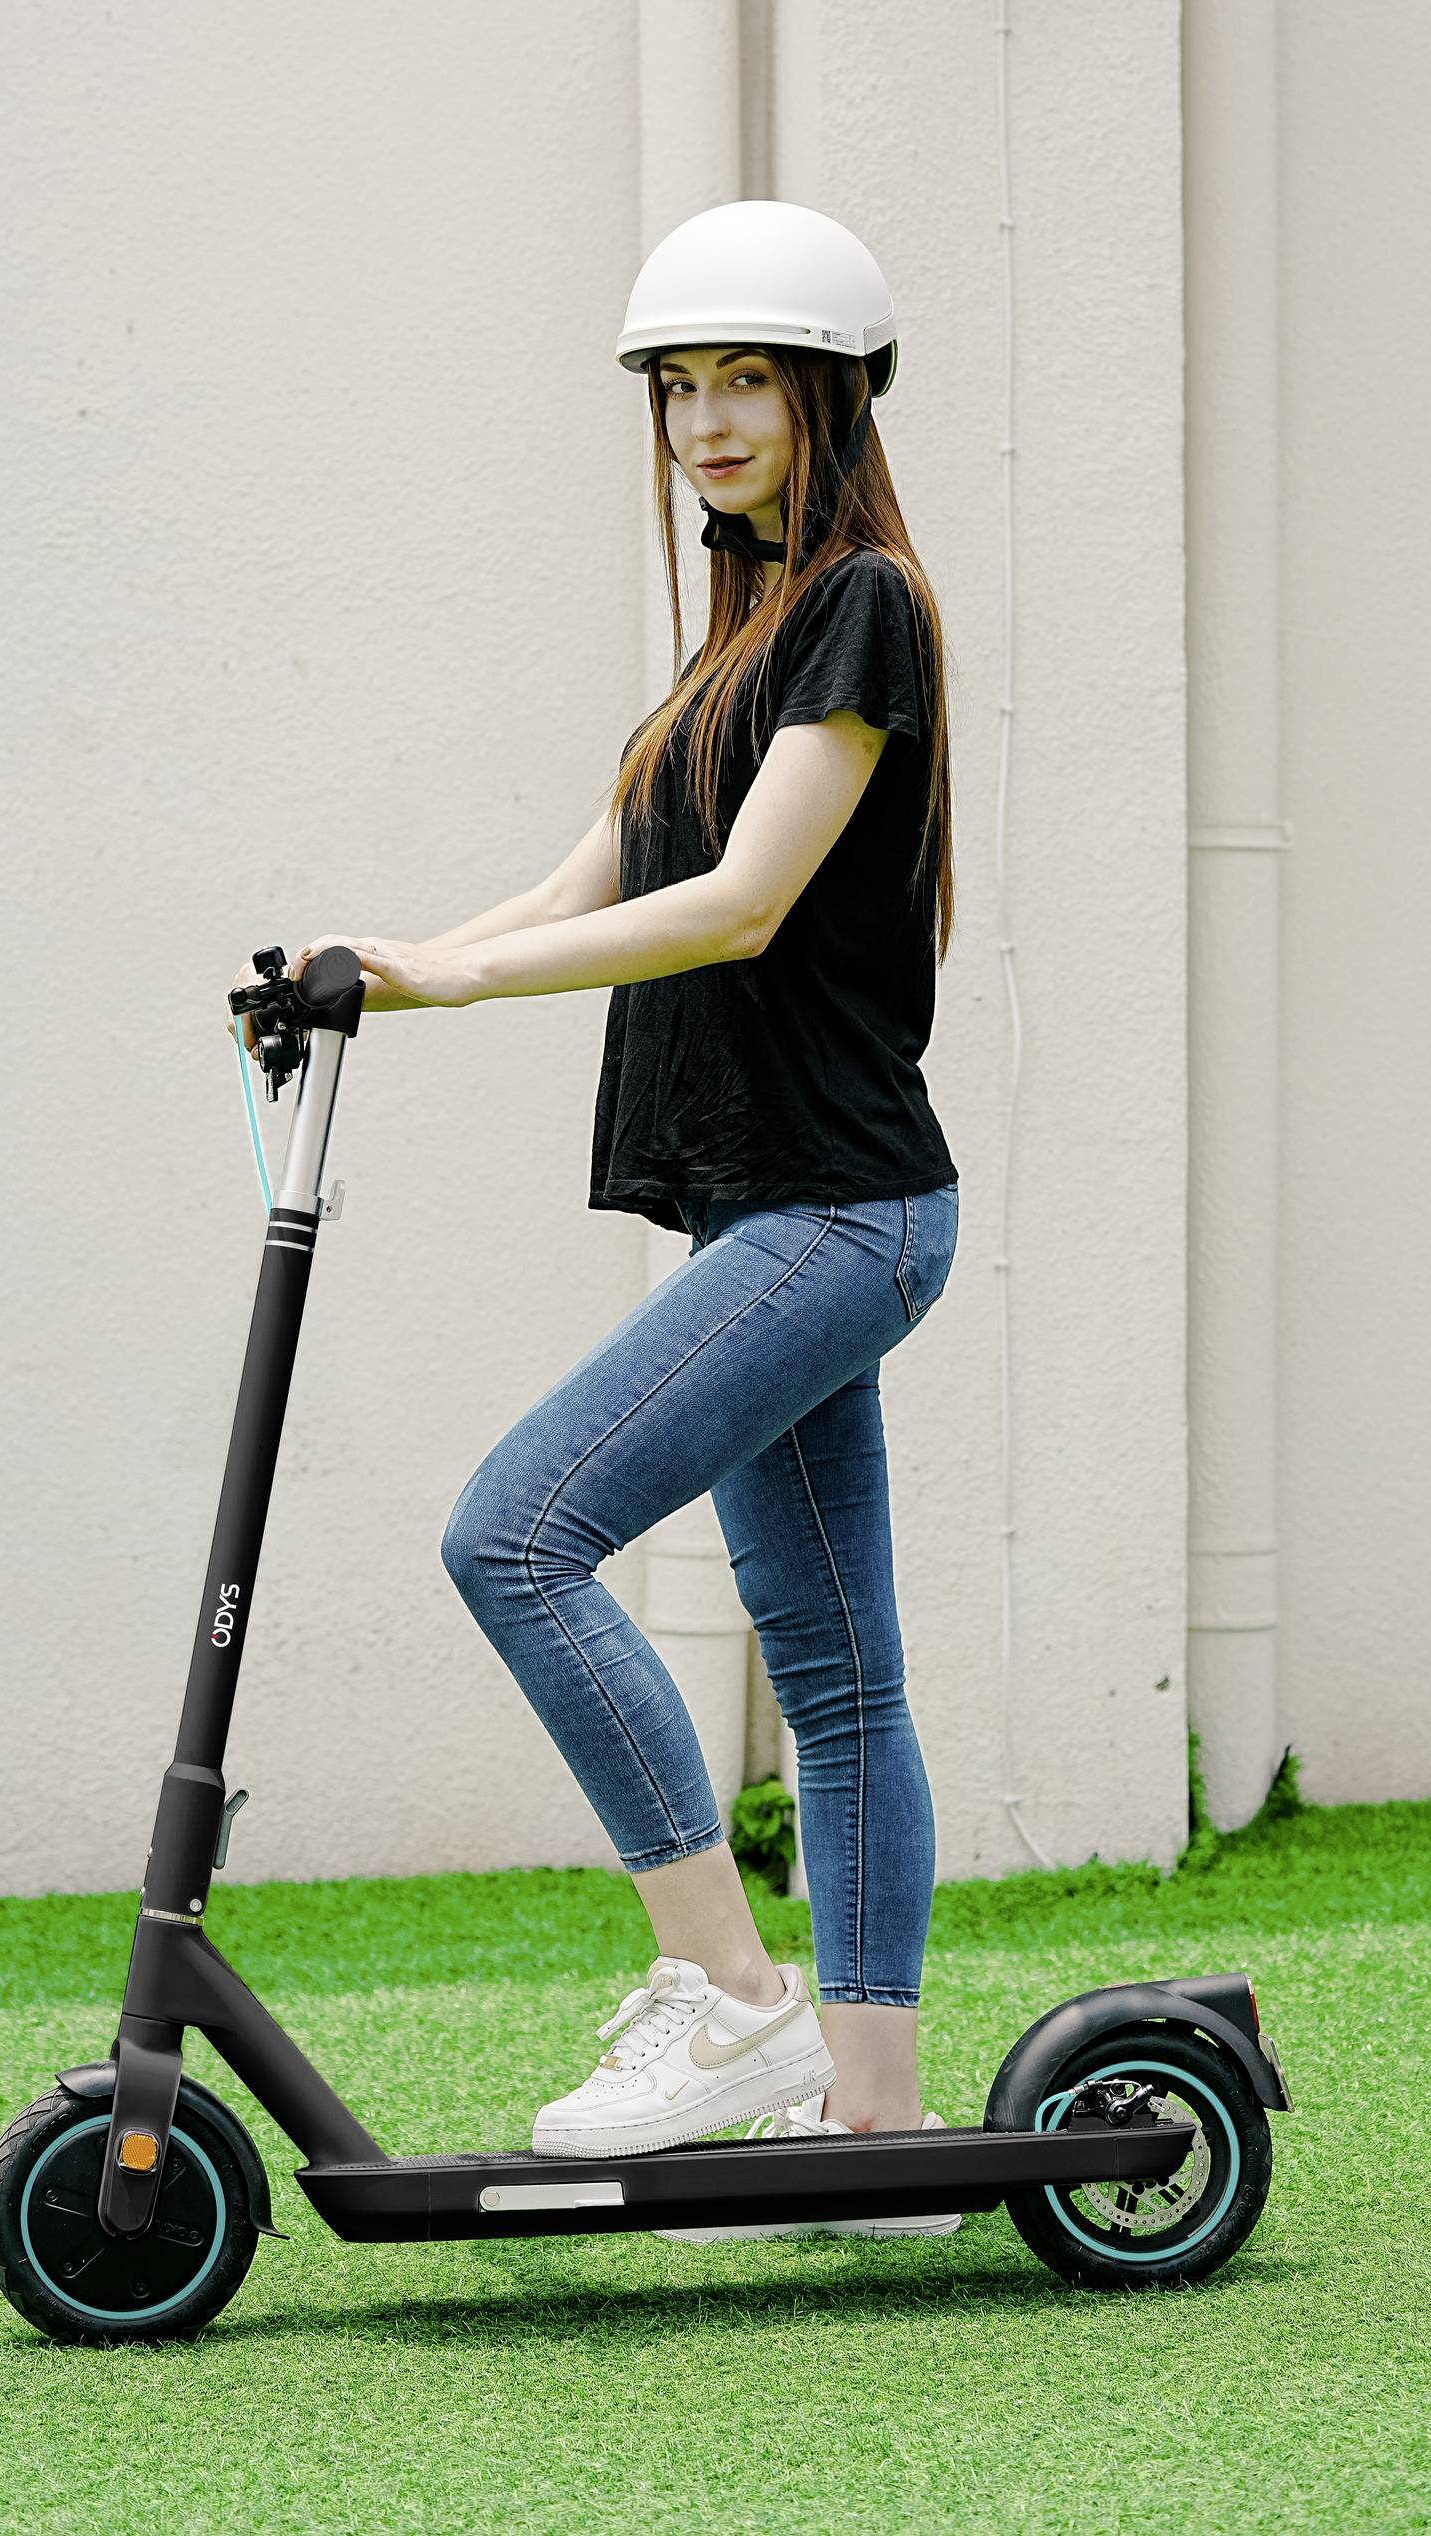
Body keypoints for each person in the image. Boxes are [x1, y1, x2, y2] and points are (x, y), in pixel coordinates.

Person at [241, 200, 962, 2244]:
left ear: (830, 395)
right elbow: (600, 872)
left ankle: (729, 1997)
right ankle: (879, 2133)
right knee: (835, 1675)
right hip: (787, 1216)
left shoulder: (863, 610)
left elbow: (735, 904)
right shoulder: (738, 634)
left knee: (517, 1532)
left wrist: (456, 981)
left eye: (747, 382)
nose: (705, 421)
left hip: (837, 1211)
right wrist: (384, 969)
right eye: (678, 387)